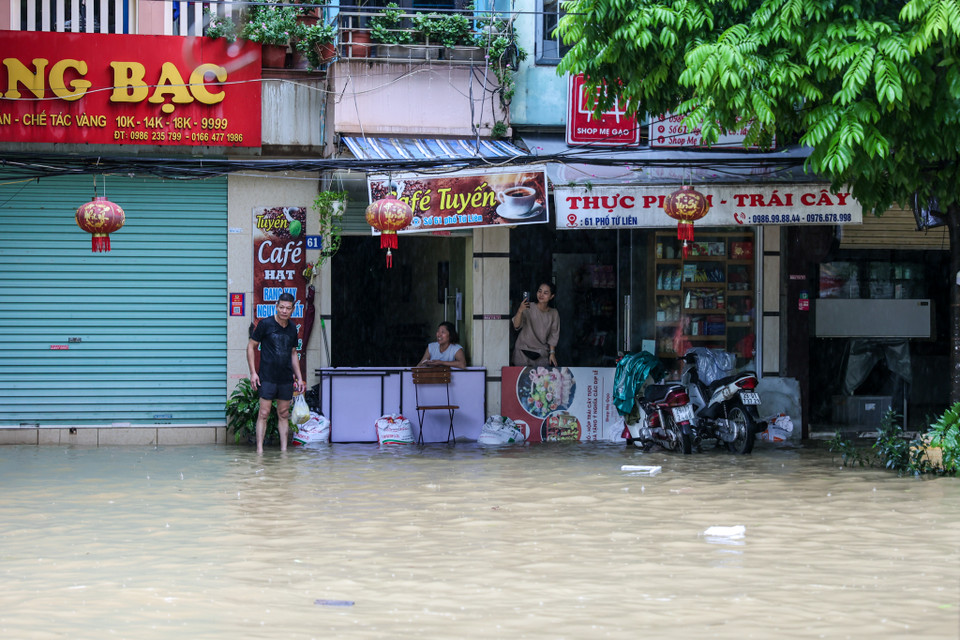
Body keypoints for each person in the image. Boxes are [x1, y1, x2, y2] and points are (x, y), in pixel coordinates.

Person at [246, 292, 305, 453]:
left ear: (293, 309)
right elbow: (251, 346)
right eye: (281, 307)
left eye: (288, 308)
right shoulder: (265, 324)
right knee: (264, 413)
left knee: (284, 414)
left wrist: (299, 378)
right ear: (276, 307)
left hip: (285, 377)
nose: (284, 311)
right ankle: (259, 450)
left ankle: (284, 451)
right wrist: (253, 372)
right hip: (267, 376)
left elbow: (293, 353)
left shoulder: (293, 328)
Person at [512, 282, 559, 367]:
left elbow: (553, 335)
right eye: (539, 291)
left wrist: (552, 353)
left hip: (541, 353)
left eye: (545, 293)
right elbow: (516, 325)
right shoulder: (528, 306)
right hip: (523, 350)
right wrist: (520, 310)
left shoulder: (554, 313)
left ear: (552, 296)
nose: (541, 295)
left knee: (540, 378)